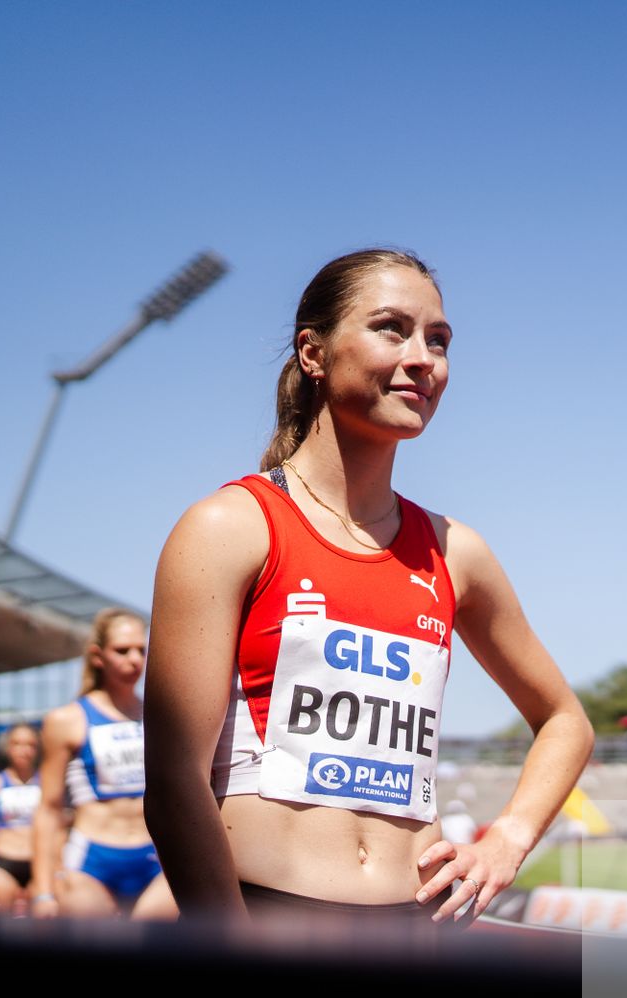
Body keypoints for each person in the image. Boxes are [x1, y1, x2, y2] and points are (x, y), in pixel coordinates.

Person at [143, 248, 594, 937]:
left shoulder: (454, 551)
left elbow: (566, 721)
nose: (424, 358)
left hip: (421, 925)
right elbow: (175, 784)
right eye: (392, 328)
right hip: (266, 915)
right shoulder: (230, 528)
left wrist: (506, 841)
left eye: (438, 340)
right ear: (313, 353)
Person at [33, 609, 176, 920]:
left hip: (154, 859)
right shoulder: (66, 720)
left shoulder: (158, 714)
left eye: (141, 650)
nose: (134, 659)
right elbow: (49, 808)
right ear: (98, 656)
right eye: (122, 650)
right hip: (92, 861)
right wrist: (43, 891)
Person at [0, 724, 41, 913]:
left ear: (36, 749)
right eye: (17, 743)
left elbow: (56, 831)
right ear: (8, 748)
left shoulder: (47, 784)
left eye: (30, 745)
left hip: (38, 863)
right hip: (5, 863)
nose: (24, 750)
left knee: (45, 931)